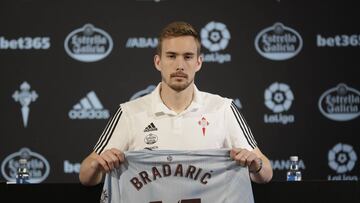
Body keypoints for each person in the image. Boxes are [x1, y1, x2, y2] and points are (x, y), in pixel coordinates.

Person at [79, 21, 273, 186]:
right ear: (158, 62)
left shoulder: (223, 108)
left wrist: (256, 165)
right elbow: (86, 175)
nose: (179, 65)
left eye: (188, 57)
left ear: (199, 62)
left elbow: (266, 172)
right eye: (171, 56)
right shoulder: (130, 112)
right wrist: (97, 164)